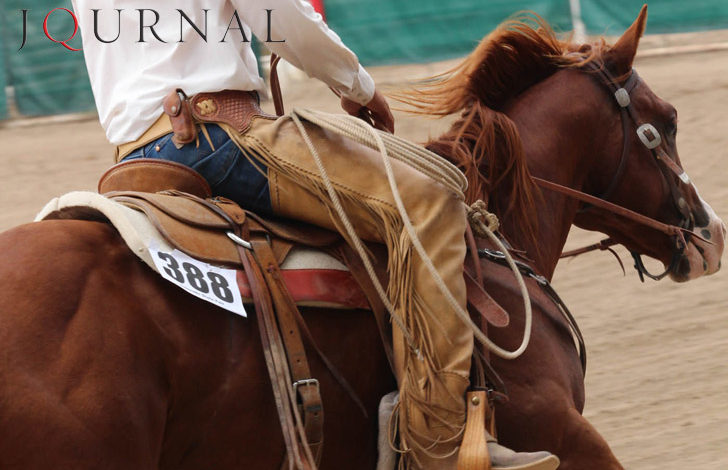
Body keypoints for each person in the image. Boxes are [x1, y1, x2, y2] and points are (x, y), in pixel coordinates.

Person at [71, 1, 559, 469]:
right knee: (430, 205)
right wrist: (358, 85)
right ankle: (441, 444)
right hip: (217, 135)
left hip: (135, 157)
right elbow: (279, 13)